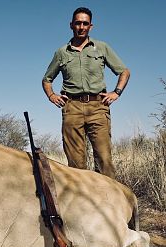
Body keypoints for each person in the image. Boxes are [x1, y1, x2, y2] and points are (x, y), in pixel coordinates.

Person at [42, 7, 130, 179]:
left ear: (91, 26)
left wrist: (116, 92)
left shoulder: (102, 47)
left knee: (104, 160)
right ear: (71, 25)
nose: (81, 27)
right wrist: (52, 96)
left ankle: (107, 201)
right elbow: (47, 79)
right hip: (71, 108)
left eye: (85, 23)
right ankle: (82, 203)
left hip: (98, 107)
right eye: (77, 23)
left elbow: (124, 71)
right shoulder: (61, 52)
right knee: (76, 165)